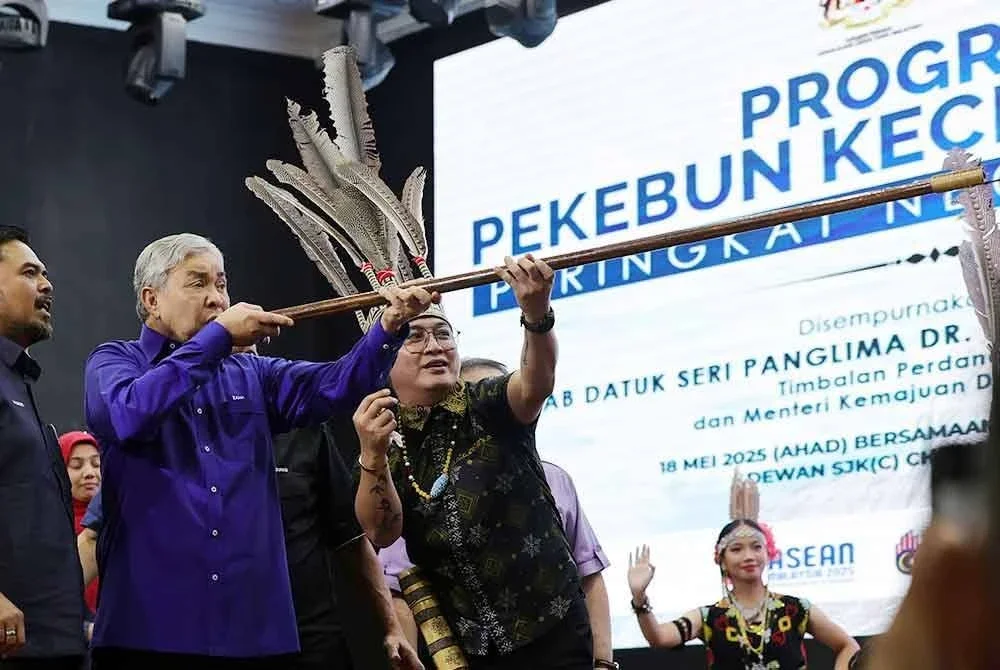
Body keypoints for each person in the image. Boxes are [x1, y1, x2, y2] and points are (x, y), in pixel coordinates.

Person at [82, 233, 434, 670]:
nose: (217, 299)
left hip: (253, 635)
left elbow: (335, 385)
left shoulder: (252, 372)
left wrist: (389, 327)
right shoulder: (115, 361)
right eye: (198, 284)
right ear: (151, 299)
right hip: (149, 631)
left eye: (222, 284)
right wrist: (215, 341)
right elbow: (125, 414)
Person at [352, 254, 595, 669]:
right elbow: (381, 530)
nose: (435, 346)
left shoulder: (486, 404)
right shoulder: (390, 449)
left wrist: (536, 314)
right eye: (415, 336)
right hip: (474, 650)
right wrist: (371, 455)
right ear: (385, 359)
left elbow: (537, 381)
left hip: (550, 630)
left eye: (443, 334)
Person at [378, 356, 616, 668]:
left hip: (556, 641)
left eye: (502, 395)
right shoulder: (417, 486)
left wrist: (603, 663)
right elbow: (401, 589)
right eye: (480, 396)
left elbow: (589, 573)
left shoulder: (555, 479)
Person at [626, 473, 859, 669]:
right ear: (722, 560)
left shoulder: (795, 609)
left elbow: (848, 646)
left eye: (756, 547)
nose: (749, 556)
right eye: (736, 549)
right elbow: (659, 637)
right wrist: (639, 597)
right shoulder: (710, 617)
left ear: (768, 553)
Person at [0, 226, 86, 669]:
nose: (47, 284)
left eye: (46, 274)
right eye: (30, 272)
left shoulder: (17, 381)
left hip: (55, 639)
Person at [58, 432, 101, 618]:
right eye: (76, 465)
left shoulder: (120, 522)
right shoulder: (49, 526)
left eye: (97, 464)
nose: (90, 473)